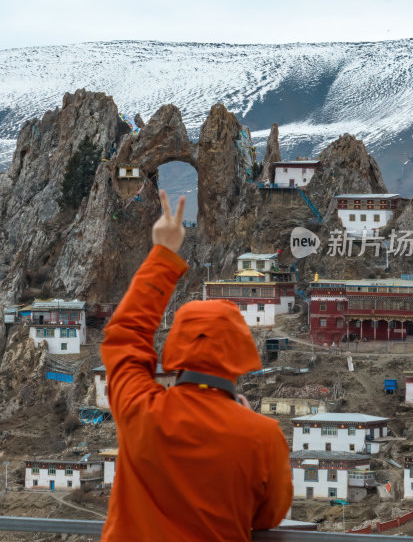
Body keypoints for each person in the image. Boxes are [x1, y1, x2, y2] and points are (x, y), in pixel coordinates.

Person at [100, 190, 292, 541]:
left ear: (176, 349)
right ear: (240, 353)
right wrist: (246, 419)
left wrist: (164, 253)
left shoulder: (142, 411)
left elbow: (126, 335)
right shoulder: (263, 437)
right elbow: (269, 516)